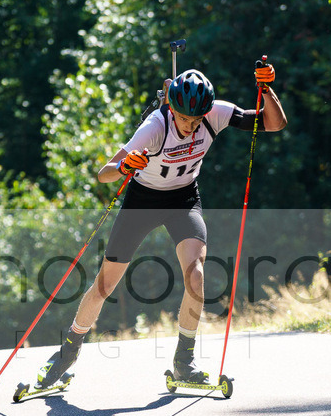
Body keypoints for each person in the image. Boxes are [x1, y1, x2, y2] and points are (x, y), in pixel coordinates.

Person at [37, 63, 286, 388]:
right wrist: (126, 165)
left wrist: (266, 90)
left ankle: (184, 362)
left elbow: (274, 123)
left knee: (196, 275)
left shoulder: (216, 113)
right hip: (143, 201)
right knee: (104, 285)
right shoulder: (155, 126)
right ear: (172, 106)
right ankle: (66, 354)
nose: (190, 126)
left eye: (197, 120)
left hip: (183, 200)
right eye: (184, 118)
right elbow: (105, 172)